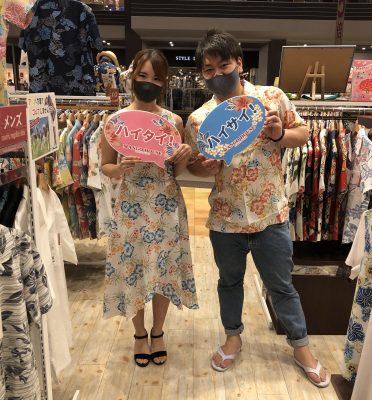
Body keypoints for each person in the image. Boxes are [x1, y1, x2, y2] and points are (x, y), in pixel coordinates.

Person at [185, 29, 330, 388]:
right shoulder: (200, 118)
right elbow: (196, 167)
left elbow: (303, 134)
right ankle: (233, 337)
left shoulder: (271, 98)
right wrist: (204, 168)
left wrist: (280, 134)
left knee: (281, 285)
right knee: (229, 282)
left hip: (271, 215)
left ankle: (301, 346)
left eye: (224, 65)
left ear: (239, 63)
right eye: (208, 70)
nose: (217, 74)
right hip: (225, 218)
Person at [101, 49, 199, 368]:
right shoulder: (115, 122)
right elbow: (105, 166)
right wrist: (120, 168)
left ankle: (158, 332)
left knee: (163, 271)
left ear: (164, 82)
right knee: (134, 271)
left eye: (156, 78)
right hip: (131, 205)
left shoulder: (173, 121)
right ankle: (139, 334)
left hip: (166, 205)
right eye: (143, 75)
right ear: (132, 77)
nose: (149, 83)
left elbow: (177, 171)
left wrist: (183, 155)